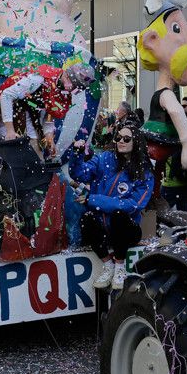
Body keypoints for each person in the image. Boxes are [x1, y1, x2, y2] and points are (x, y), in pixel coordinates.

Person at [70, 119, 154, 290]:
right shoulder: (104, 158)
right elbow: (80, 174)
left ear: (136, 142)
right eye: (118, 137)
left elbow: (133, 205)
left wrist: (94, 200)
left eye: (126, 139)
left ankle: (120, 268)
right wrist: (77, 153)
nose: (121, 141)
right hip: (102, 229)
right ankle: (108, 265)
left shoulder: (144, 172)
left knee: (118, 215)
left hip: (127, 231)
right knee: (86, 218)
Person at [0, 63, 96, 157]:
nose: (71, 89)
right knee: (11, 158)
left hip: (31, 119)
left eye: (75, 88)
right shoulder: (38, 79)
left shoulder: (64, 93)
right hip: (10, 116)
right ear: (67, 75)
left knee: (36, 159)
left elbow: (48, 117)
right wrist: (9, 130)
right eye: (73, 84)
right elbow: (6, 95)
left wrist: (49, 139)